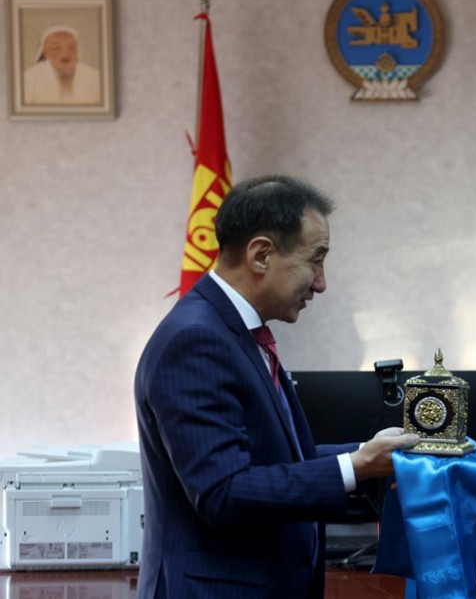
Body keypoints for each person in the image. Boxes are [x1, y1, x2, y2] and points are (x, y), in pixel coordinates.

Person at [134, 175, 418, 598]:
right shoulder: (196, 340)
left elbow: (273, 460)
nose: (320, 282)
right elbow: (224, 493)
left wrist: (367, 453)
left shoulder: (233, 332)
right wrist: (356, 467)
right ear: (261, 255)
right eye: (315, 260)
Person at [23, 24, 101, 105]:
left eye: (71, 47)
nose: (65, 54)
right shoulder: (29, 78)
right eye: (56, 48)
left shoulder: (94, 76)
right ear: (45, 52)